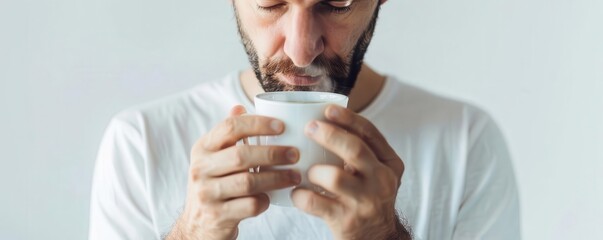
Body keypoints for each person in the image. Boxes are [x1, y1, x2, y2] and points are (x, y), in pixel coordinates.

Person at [89, 0, 521, 239]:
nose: (301, 50)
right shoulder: (140, 142)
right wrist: (192, 235)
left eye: (336, 4)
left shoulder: (466, 140)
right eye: (270, 2)